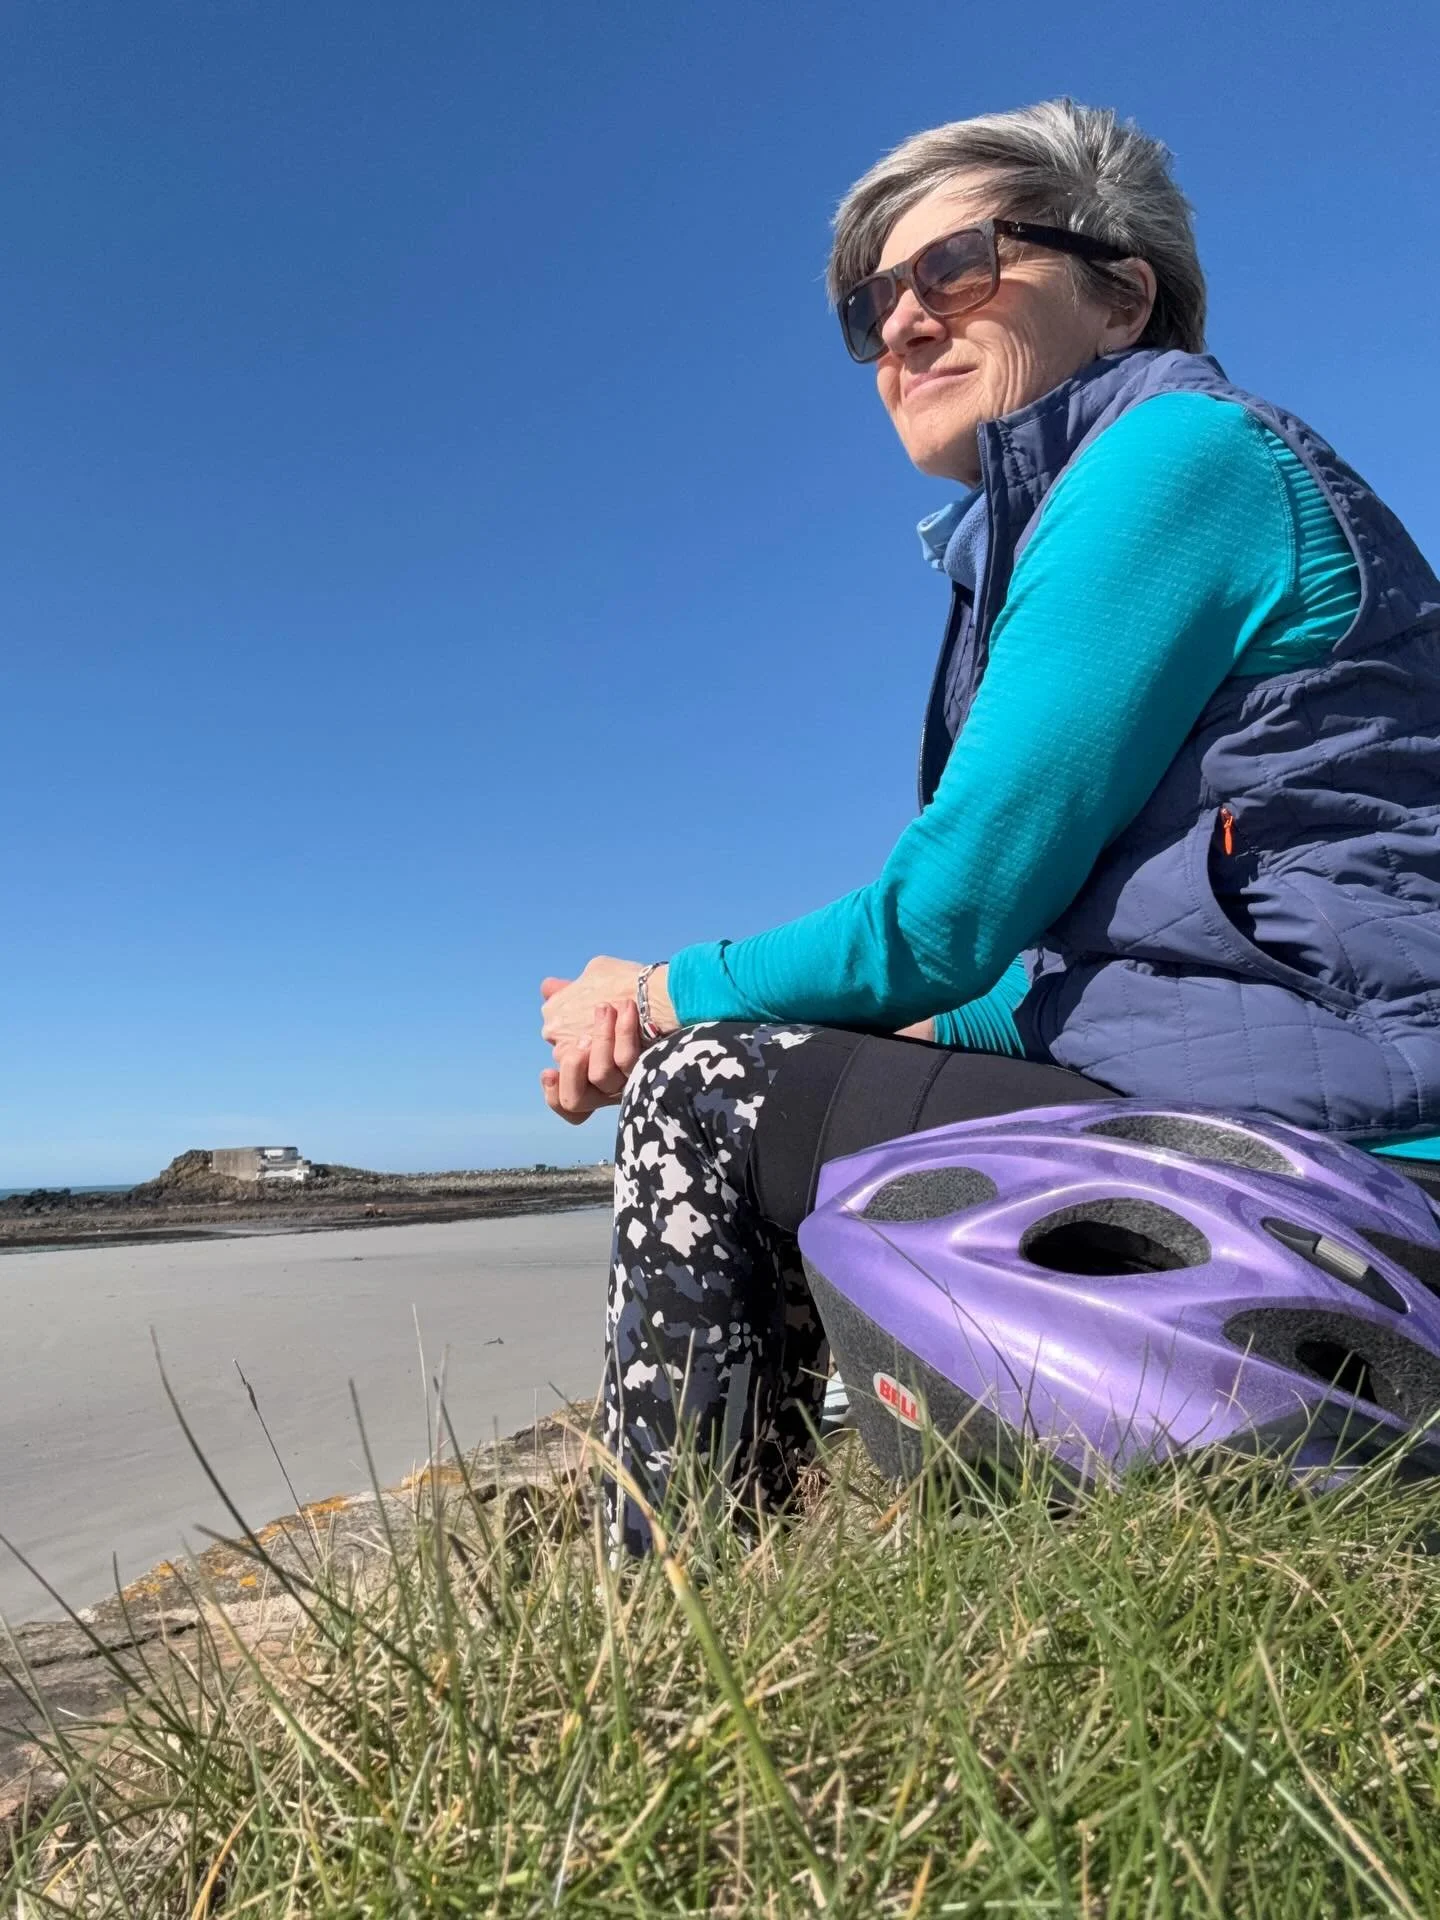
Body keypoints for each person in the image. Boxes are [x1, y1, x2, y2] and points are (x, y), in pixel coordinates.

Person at [538, 100, 1440, 1553]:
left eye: (954, 265)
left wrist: (652, 992)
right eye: (865, 306)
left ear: (1123, 289)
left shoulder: (1176, 462)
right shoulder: (1069, 522)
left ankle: (667, 1611)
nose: (899, 323)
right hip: (1277, 1102)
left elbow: (948, 916)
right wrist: (908, 1035)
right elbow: (1061, 977)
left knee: (705, 1089)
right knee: (813, 1070)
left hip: (1354, 1149)